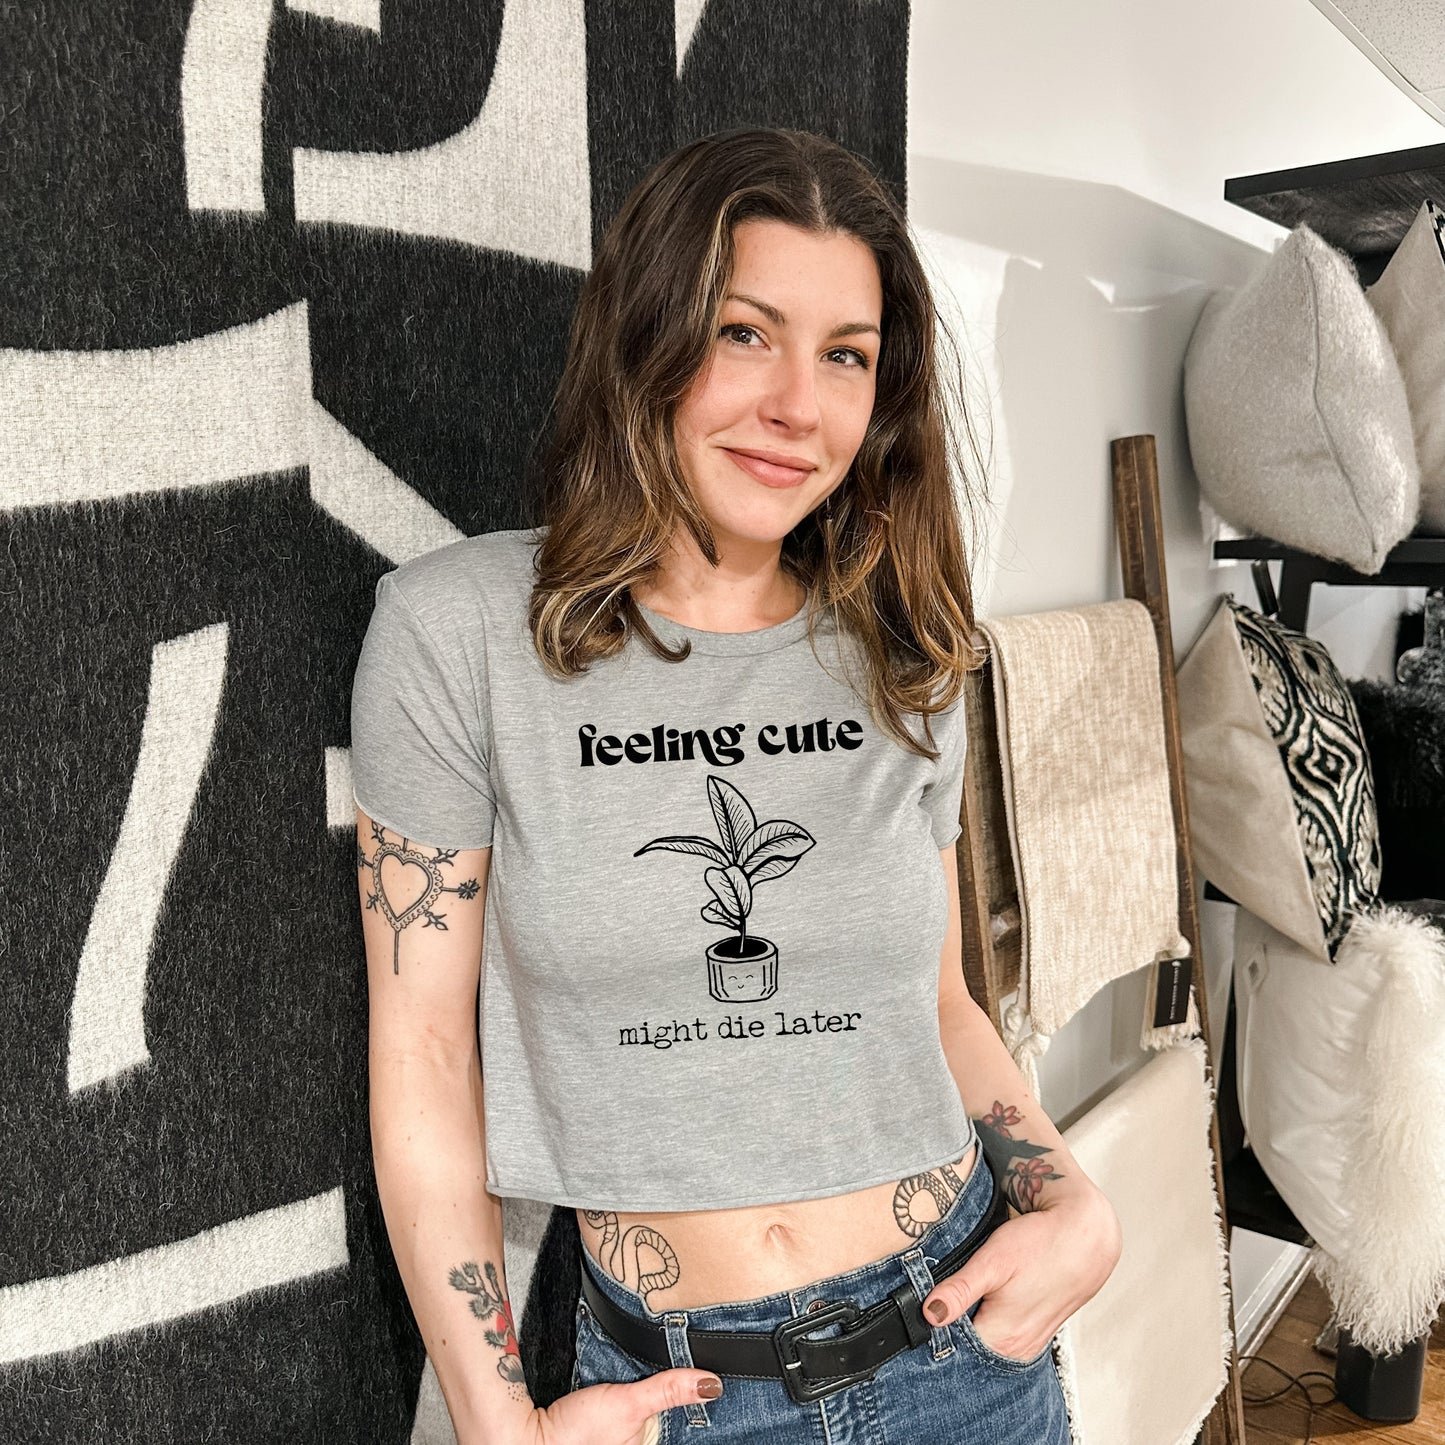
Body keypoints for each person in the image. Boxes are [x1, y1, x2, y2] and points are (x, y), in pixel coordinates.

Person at [350, 126, 1122, 1445]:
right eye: (744, 332)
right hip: (676, 1394)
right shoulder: (456, 631)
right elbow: (423, 1053)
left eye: (845, 355)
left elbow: (936, 1001)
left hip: (962, 1355)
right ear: (644, 333)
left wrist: (1073, 1203)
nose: (796, 407)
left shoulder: (905, 643)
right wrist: (498, 1423)